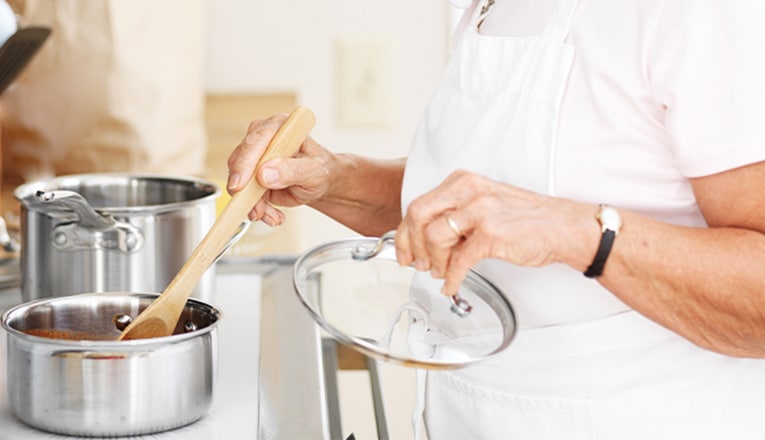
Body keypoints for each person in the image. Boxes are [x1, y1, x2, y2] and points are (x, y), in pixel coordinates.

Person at [227, 0, 765, 438]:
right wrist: (335, 179)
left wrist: (576, 232)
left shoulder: (700, 13)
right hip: (465, 418)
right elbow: (481, 210)